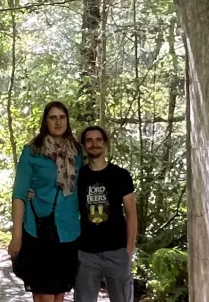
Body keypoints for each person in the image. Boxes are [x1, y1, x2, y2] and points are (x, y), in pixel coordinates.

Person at [9, 101, 83, 302]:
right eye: (53, 117)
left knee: (59, 293)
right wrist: (17, 236)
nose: (58, 122)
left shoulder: (77, 153)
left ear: (67, 121)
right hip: (39, 230)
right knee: (44, 294)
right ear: (45, 121)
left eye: (62, 117)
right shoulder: (32, 152)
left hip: (68, 231)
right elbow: (19, 195)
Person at [74, 125, 137, 302]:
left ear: (105, 143)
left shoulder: (121, 175)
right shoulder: (78, 176)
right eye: (89, 140)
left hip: (117, 252)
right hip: (86, 254)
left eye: (98, 140)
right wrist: (32, 192)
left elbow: (131, 213)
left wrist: (129, 248)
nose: (94, 144)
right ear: (84, 145)